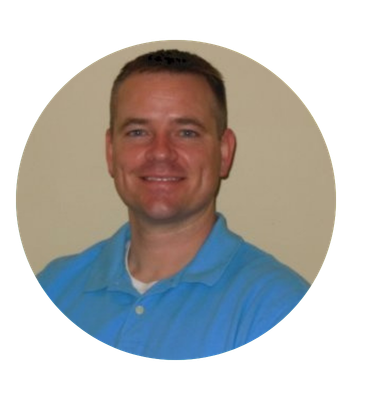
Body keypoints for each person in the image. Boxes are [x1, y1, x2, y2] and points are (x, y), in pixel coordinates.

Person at [37, 49, 310, 361]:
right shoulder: (52, 287)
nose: (161, 152)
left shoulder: (278, 306)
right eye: (138, 132)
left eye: (186, 132)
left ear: (223, 152)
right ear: (111, 152)